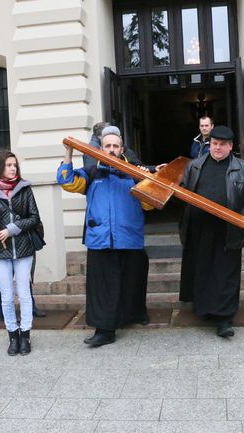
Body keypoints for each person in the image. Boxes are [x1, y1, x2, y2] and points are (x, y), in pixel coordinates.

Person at [57, 126, 152, 347]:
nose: (111, 150)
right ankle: (104, 330)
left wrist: (148, 183)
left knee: (132, 283)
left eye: (115, 146)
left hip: (129, 239)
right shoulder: (92, 172)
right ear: (100, 148)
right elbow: (66, 180)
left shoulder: (134, 173)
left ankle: (133, 315)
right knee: (102, 289)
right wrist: (68, 153)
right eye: (107, 146)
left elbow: (149, 205)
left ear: (122, 149)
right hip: (101, 240)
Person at [179, 125, 244, 338]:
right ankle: (206, 310)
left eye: (222, 145)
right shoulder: (195, 166)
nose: (218, 148)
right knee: (204, 270)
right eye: (215, 144)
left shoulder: (243, 168)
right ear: (210, 145)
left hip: (229, 229)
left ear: (230, 147)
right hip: (200, 228)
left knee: (226, 272)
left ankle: (225, 319)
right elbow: (183, 193)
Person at [0, 150, 41, 356]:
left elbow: (34, 218)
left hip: (23, 249)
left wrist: (11, 229)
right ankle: (12, 335)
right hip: (0, 252)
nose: (13, 168)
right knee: (6, 296)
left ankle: (26, 335)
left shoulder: (25, 189)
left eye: (15, 165)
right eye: (8, 165)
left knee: (24, 293)